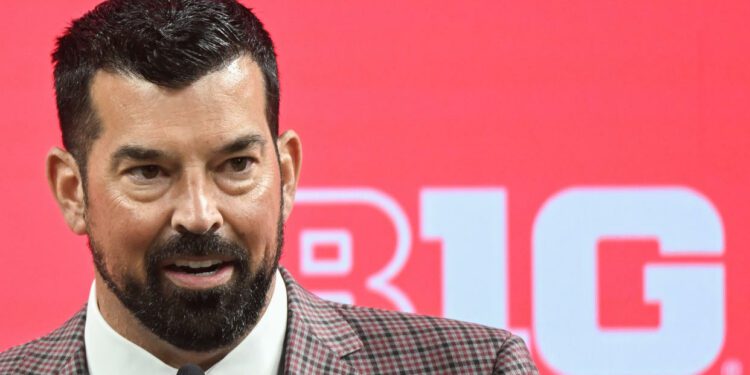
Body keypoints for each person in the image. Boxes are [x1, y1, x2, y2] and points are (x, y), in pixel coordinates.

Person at [0, 0, 538, 374]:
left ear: (287, 172)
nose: (199, 213)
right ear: (72, 191)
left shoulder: (476, 368)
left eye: (236, 164)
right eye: (148, 172)